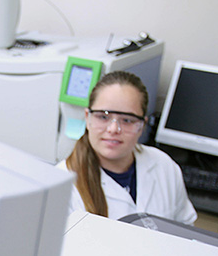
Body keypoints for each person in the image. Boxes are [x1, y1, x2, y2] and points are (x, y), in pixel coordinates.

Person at [60, 71, 197, 225]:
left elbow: (185, 228)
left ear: (142, 126)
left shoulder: (163, 165)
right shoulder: (61, 185)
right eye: (103, 117)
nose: (113, 129)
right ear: (88, 118)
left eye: (126, 120)